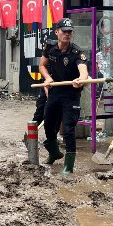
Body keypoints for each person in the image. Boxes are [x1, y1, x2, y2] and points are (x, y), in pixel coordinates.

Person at [39, 18, 89, 175]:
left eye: (69, 32)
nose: (67, 34)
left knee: (68, 129)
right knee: (48, 125)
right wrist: (47, 78)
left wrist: (81, 80)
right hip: (55, 91)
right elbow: (42, 65)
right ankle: (54, 153)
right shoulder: (50, 48)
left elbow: (84, 72)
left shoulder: (77, 52)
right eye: (64, 31)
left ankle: (68, 165)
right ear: (57, 32)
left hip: (71, 94)